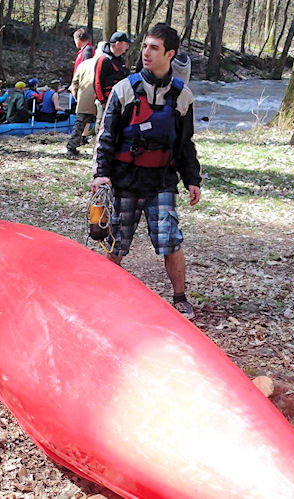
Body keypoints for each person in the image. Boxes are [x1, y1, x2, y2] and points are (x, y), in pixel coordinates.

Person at [91, 23, 201, 319]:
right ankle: (102, 297)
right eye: (146, 46)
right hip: (124, 181)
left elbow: (185, 144)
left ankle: (180, 298)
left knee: (170, 239)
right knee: (115, 243)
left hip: (161, 182)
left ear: (170, 54)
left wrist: (193, 179)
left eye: (154, 47)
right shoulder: (124, 90)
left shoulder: (182, 96)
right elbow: (106, 136)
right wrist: (101, 174)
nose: (146, 53)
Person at [67, 56, 97, 158]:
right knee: (103, 125)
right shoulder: (106, 63)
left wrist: (77, 97)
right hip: (99, 99)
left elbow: (74, 83)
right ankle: (100, 149)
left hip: (84, 100)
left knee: (79, 124)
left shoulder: (83, 64)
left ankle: (71, 147)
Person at [94, 31, 132, 105]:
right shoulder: (103, 60)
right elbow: (97, 82)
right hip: (106, 101)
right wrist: (102, 101)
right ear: (118, 44)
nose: (127, 46)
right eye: (126, 44)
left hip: (120, 100)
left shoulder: (122, 60)